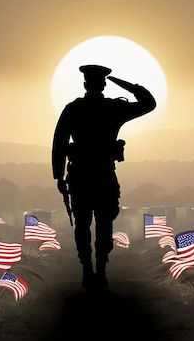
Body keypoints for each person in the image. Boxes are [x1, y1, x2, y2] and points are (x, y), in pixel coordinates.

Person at [52, 64, 156, 289]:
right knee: (103, 221)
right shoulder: (113, 109)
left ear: (85, 84)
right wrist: (127, 85)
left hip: (80, 175)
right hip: (101, 174)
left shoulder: (73, 109)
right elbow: (149, 103)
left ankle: (88, 270)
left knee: (84, 223)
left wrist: (59, 176)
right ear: (103, 84)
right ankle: (98, 270)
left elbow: (59, 145)